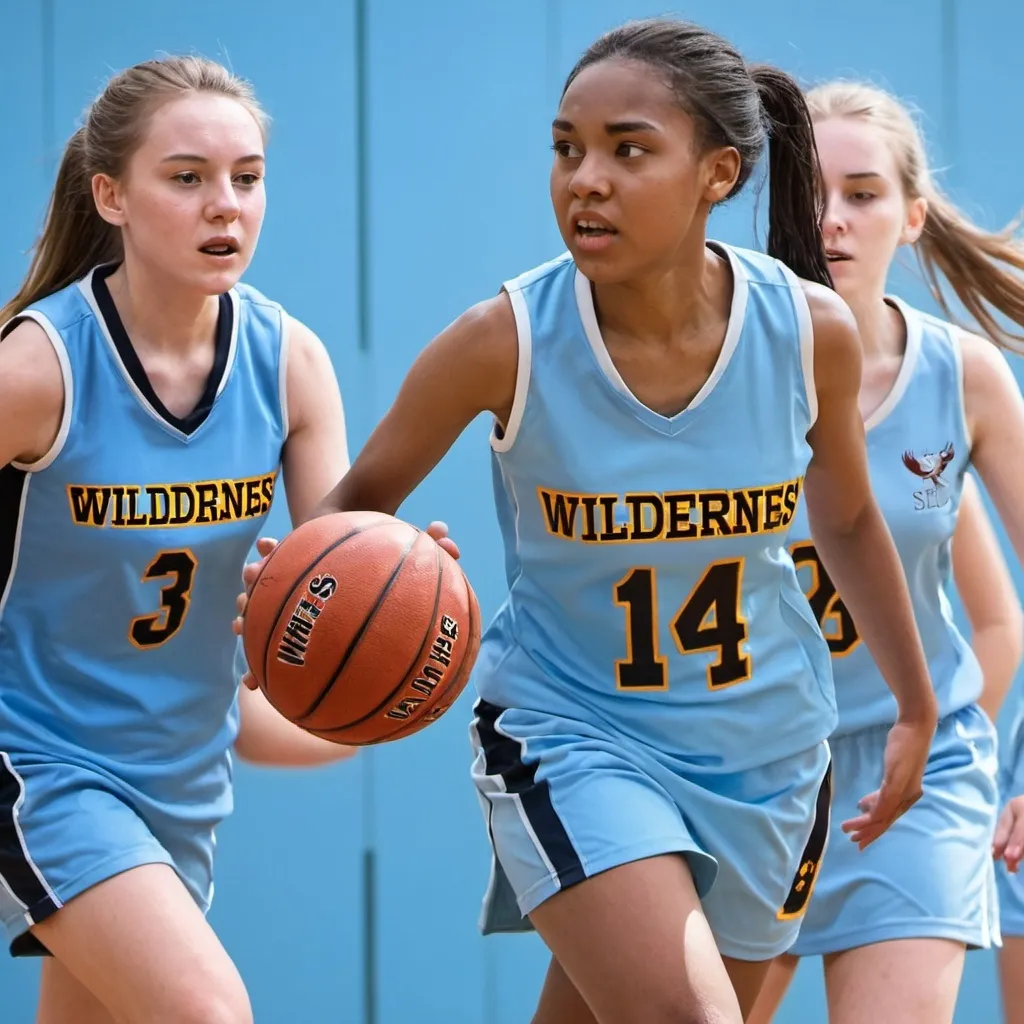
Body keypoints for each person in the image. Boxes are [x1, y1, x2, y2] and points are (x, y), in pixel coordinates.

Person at [237, 18, 938, 1023]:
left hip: (771, 754)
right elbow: (346, 518)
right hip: (573, 731)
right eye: (566, 148)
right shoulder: (503, 340)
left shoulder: (805, 331)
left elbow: (854, 524)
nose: (585, 178)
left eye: (628, 148)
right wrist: (328, 579)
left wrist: (914, 705)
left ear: (717, 174)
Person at [0, 55, 375, 1024]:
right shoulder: (39, 368)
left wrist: (399, 615)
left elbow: (343, 578)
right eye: (187, 177)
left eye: (246, 178)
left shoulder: (287, 361)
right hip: (37, 761)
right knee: (208, 1010)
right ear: (111, 194)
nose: (226, 205)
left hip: (178, 777)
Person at [747, 80, 1024, 1024]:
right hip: (748, 771)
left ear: (911, 217)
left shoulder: (964, 377)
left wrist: (965, 747)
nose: (831, 220)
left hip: (919, 773)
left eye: (862, 194)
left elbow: (998, 620)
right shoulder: (721, 373)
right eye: (808, 194)